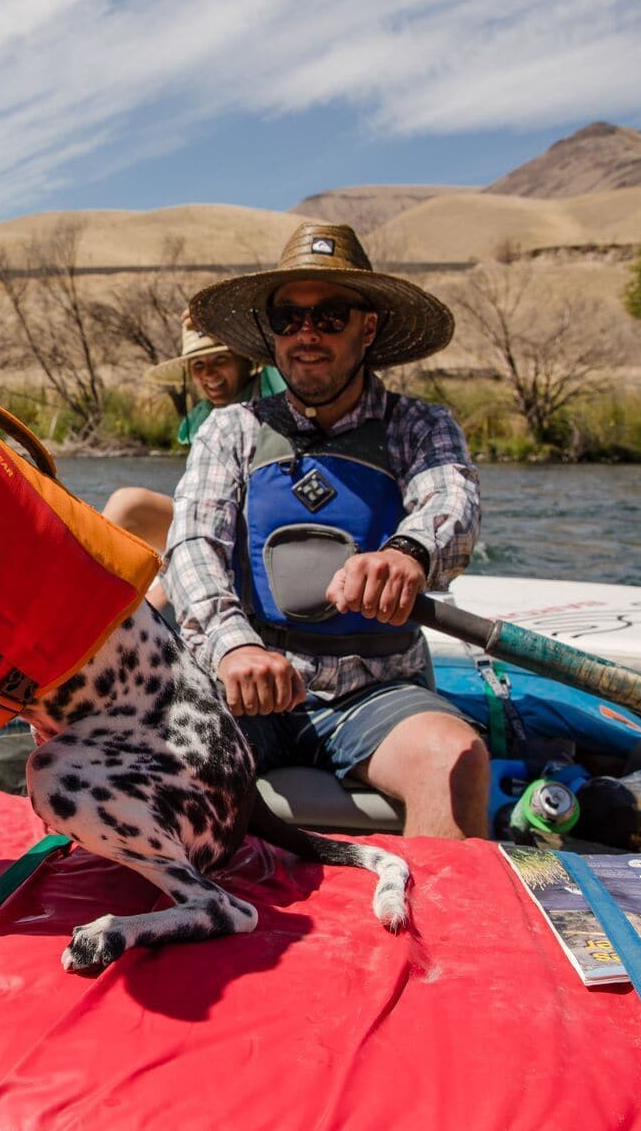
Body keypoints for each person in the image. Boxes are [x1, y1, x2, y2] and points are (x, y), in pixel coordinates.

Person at [168, 222, 489, 839]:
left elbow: (453, 499)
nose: (307, 333)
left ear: (367, 328)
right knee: (156, 764)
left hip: (378, 691)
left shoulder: (421, 426)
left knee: (456, 759)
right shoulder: (230, 429)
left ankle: (443, 904)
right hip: (252, 687)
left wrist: (408, 552)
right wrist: (234, 646)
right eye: (288, 318)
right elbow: (192, 545)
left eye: (330, 316)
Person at [101, 312, 283, 605]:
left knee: (135, 506)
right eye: (198, 365)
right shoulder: (202, 421)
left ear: (246, 361)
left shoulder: (274, 388)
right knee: (128, 507)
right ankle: (87, 597)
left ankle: (133, 613)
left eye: (220, 360)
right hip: (209, 521)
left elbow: (281, 348)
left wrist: (226, 309)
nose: (209, 374)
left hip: (257, 525)